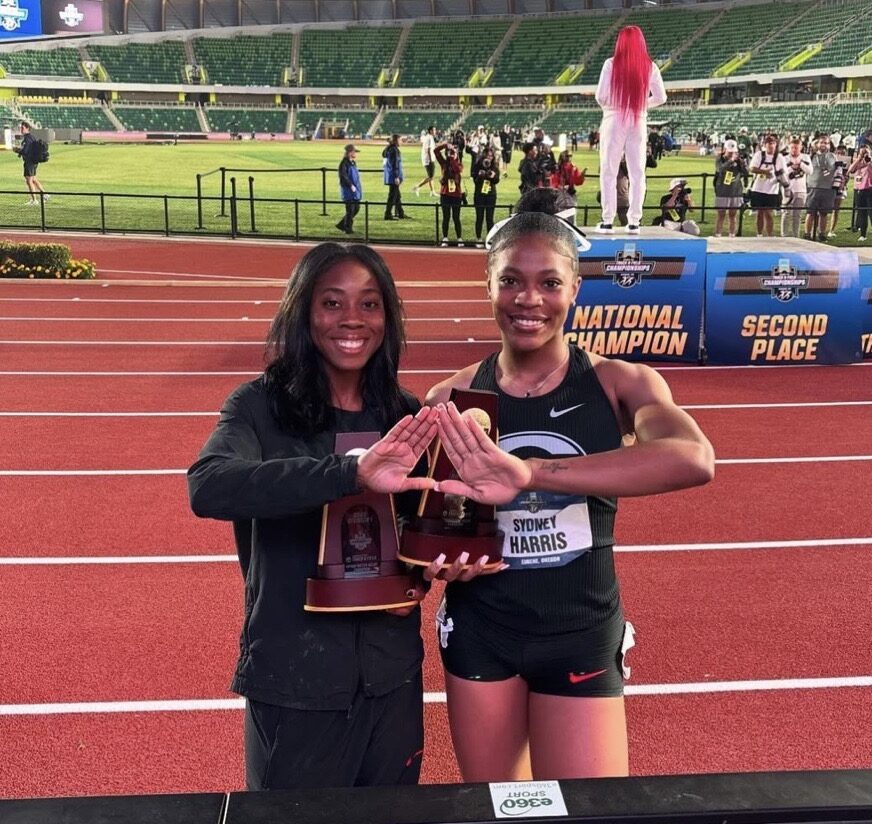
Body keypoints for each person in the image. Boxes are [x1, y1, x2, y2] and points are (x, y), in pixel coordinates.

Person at [188, 243, 490, 790]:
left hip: (391, 674)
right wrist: (349, 473)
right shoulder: (258, 406)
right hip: (295, 678)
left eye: (369, 304)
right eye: (332, 303)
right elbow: (209, 486)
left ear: (387, 317)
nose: (352, 319)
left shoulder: (405, 414)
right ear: (303, 312)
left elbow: (416, 533)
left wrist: (437, 568)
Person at [426, 211, 715, 782]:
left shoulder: (619, 383)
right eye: (511, 280)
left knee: (589, 812)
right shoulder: (450, 397)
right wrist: (443, 560)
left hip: (580, 628)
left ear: (575, 288)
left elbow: (693, 458)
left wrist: (530, 474)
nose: (528, 299)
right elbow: (438, 521)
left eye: (550, 282)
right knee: (498, 811)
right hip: (481, 630)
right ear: (489, 285)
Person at [595, 26, 667, 234]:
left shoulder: (610, 64)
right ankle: (634, 221)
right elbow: (661, 97)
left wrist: (616, 105)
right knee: (637, 172)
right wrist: (640, 104)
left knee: (609, 170)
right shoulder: (650, 66)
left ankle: (608, 220)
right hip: (638, 120)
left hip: (614, 119)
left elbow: (601, 96)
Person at [748, 133, 787, 238]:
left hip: (772, 189)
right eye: (769, 143)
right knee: (760, 213)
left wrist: (780, 178)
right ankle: (759, 234)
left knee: (769, 213)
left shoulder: (779, 157)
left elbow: (783, 171)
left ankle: (770, 235)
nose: (771, 146)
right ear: (765, 145)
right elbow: (752, 168)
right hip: (758, 188)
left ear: (776, 145)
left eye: (773, 143)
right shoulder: (759, 155)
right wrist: (764, 172)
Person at [804, 135, 836, 242]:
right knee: (810, 212)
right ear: (817, 144)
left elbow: (833, 168)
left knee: (824, 213)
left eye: (826, 143)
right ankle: (807, 233)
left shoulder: (831, 156)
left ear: (829, 145)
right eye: (821, 142)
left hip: (827, 187)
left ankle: (822, 233)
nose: (823, 145)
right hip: (812, 187)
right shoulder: (811, 156)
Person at [713, 139, 748, 238]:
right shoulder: (720, 159)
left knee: (733, 215)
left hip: (735, 191)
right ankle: (718, 235)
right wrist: (731, 160)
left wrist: (743, 164)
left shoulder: (739, 160)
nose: (732, 154)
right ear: (725, 149)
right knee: (721, 215)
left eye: (733, 152)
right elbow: (720, 169)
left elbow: (746, 173)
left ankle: (732, 235)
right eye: (730, 152)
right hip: (722, 191)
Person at [435, 141, 465, 247]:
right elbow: (436, 151)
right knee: (446, 217)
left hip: (456, 194)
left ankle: (459, 238)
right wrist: (445, 145)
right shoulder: (444, 163)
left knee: (456, 217)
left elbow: (457, 169)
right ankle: (445, 237)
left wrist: (452, 158)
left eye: (453, 152)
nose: (451, 154)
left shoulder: (459, 164)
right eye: (450, 152)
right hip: (445, 193)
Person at [780, 138, 812, 238]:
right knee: (786, 214)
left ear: (801, 148)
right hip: (788, 189)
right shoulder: (784, 158)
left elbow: (810, 171)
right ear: (789, 148)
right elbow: (781, 173)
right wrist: (791, 168)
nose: (794, 150)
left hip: (801, 190)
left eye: (796, 148)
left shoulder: (805, 157)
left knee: (797, 215)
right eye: (792, 148)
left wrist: (801, 164)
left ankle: (796, 236)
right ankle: (784, 236)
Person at [471, 146, 500, 248]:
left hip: (491, 195)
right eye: (487, 155)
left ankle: (490, 239)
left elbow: (497, 180)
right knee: (479, 217)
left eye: (491, 156)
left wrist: (493, 176)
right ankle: (478, 238)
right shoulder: (477, 166)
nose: (489, 158)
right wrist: (480, 175)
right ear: (483, 156)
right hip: (479, 194)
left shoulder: (494, 166)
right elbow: (475, 181)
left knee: (489, 218)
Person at [14, 122, 48, 206]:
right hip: (34, 161)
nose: (21, 129)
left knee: (29, 181)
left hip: (29, 162)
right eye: (20, 128)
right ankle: (44, 194)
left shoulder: (27, 138)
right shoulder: (32, 137)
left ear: (27, 128)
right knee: (33, 179)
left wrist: (17, 150)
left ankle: (34, 200)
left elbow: (26, 151)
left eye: (22, 128)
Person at [848, 144, 872, 242]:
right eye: (862, 152)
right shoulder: (858, 162)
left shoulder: (870, 161)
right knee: (862, 212)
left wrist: (869, 157)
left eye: (865, 151)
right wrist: (859, 158)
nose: (864, 154)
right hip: (858, 189)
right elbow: (850, 170)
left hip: (869, 189)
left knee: (871, 212)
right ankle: (863, 234)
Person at [337, 144, 361, 235]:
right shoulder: (344, 163)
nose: (356, 154)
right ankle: (348, 228)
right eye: (355, 152)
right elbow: (343, 176)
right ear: (350, 153)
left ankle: (341, 225)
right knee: (350, 210)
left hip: (354, 190)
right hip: (348, 190)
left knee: (356, 209)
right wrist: (350, 185)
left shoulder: (353, 163)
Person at [382, 133, 406, 221]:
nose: (401, 142)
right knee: (392, 196)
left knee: (397, 196)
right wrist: (396, 176)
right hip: (394, 176)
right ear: (396, 141)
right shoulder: (394, 150)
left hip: (390, 175)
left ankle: (400, 213)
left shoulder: (389, 149)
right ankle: (387, 214)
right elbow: (395, 164)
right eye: (400, 140)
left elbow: (384, 155)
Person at [413, 125, 438, 197]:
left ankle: (432, 191)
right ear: (430, 131)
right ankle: (417, 187)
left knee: (430, 176)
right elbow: (428, 150)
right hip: (428, 160)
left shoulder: (429, 137)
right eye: (434, 130)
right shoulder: (429, 138)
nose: (435, 131)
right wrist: (431, 160)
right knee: (431, 176)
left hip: (427, 159)